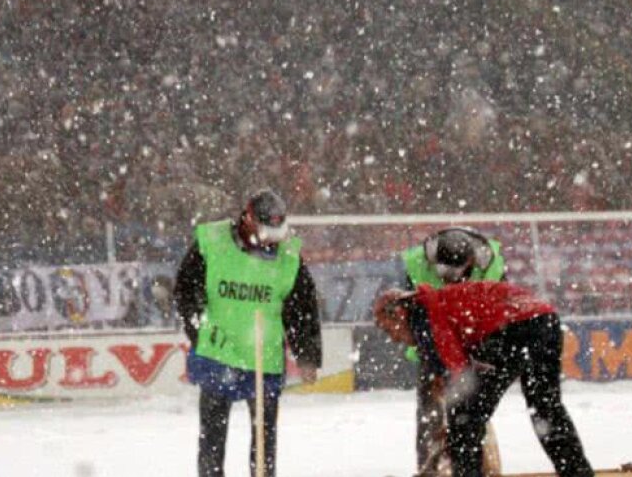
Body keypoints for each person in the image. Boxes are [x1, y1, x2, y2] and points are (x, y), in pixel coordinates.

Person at [374, 282, 594, 477]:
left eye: (387, 329)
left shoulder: (422, 317)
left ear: (398, 313)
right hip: (543, 319)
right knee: (545, 407)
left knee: (464, 418)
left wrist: (455, 425)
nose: (393, 339)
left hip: (510, 328)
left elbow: (458, 373)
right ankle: (576, 471)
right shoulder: (435, 304)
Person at [174, 188, 322, 477]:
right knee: (212, 440)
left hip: (264, 358)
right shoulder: (212, 242)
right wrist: (199, 330)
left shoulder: (288, 256)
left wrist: (307, 355)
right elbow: (185, 290)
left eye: (278, 230)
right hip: (219, 354)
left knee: (265, 443)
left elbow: (302, 308)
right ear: (248, 218)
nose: (273, 238)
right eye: (267, 229)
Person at [401, 228, 506, 471]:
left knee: (475, 411)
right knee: (431, 412)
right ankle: (430, 468)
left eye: (456, 274)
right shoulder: (417, 265)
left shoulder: (492, 268)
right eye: (444, 273)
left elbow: (499, 315)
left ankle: (479, 466)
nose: (449, 280)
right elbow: (416, 321)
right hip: (433, 342)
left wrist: (481, 355)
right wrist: (437, 363)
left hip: (473, 342)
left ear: (471, 263)